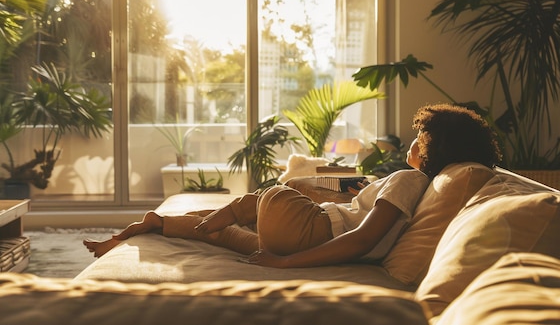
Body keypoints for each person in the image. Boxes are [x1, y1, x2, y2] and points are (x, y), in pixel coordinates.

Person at [84, 103, 501, 268]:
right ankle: (156, 224)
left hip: (312, 235)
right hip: (303, 236)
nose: (412, 141)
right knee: (228, 234)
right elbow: (366, 220)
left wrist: (284, 265)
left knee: (270, 195)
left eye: (420, 137)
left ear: (431, 147)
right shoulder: (418, 186)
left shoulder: (411, 179)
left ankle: (204, 215)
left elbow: (360, 239)